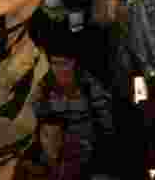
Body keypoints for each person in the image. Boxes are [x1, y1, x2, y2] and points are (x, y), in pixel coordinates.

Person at [35, 35, 114, 171]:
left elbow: (106, 121)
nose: (59, 68)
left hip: (85, 153)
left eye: (64, 63)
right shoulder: (44, 86)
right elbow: (38, 121)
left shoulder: (89, 85)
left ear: (73, 63)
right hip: (54, 152)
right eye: (55, 63)